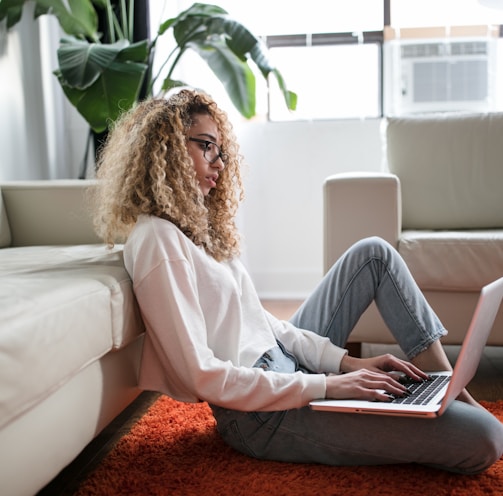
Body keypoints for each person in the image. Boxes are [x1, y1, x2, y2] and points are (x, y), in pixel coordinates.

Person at [92, 88, 503, 474]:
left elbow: (265, 324)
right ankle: (445, 403)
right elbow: (201, 375)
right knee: (485, 439)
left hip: (289, 370)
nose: (219, 162)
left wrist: (346, 364)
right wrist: (327, 386)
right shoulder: (156, 240)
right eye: (205, 145)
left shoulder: (201, 230)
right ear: (165, 152)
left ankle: (450, 389)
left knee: (373, 254)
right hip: (261, 416)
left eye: (220, 149)